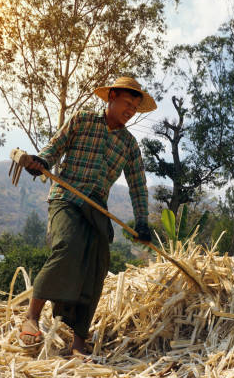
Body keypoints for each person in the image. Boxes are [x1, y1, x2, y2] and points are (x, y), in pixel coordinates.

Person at [18, 76, 155, 357]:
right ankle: (31, 316)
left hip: (96, 209)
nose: (130, 111)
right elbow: (54, 148)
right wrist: (40, 162)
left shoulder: (129, 145)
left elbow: (138, 185)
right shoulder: (81, 120)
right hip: (66, 199)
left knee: (96, 269)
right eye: (127, 104)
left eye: (134, 108)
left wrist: (142, 221)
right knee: (68, 246)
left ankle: (78, 345)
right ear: (111, 96)